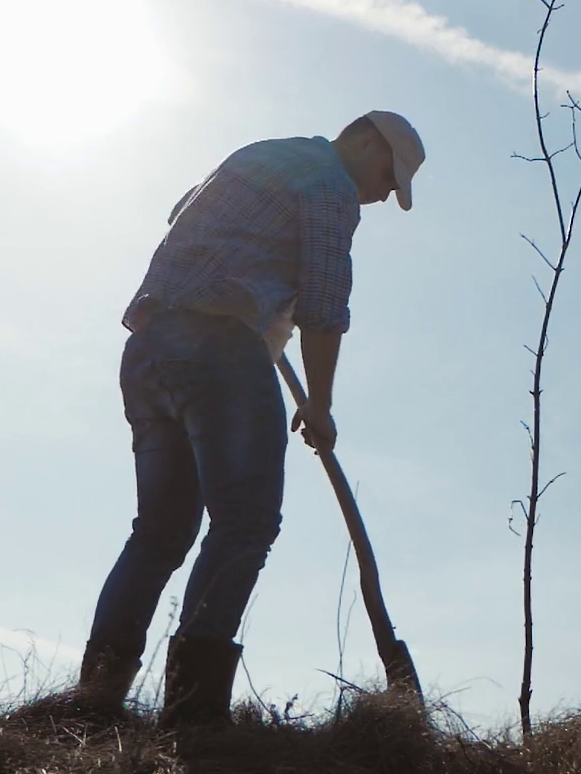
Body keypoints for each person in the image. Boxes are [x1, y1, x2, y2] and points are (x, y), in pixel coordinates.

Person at [72, 111, 424, 727]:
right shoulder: (330, 185)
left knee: (160, 533)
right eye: (387, 177)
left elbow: (183, 209)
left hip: (151, 347)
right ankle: (191, 716)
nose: (382, 192)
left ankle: (94, 702)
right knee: (247, 522)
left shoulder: (264, 155)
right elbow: (323, 300)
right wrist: (318, 403)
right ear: (365, 139)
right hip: (217, 347)